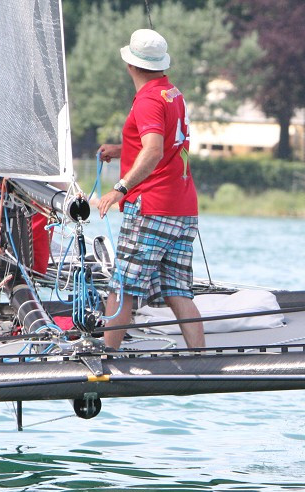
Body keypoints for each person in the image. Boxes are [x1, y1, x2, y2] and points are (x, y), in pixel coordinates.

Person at [96, 28, 204, 350]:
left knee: (123, 287)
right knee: (178, 290)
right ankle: (200, 358)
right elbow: (166, 144)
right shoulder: (172, 93)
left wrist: (120, 187)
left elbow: (155, 150)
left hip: (151, 208)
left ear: (130, 65)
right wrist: (121, 149)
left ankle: (106, 359)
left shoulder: (145, 100)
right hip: (183, 208)